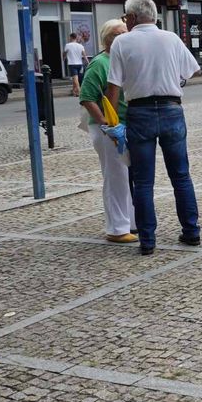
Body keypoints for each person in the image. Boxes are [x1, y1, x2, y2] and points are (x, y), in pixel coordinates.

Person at [106, 0, 202, 256]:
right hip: (172, 109)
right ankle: (191, 231)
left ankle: (147, 240)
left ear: (132, 17)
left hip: (140, 112)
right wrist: (172, 77)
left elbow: (113, 86)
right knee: (181, 175)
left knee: (143, 180)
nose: (125, 21)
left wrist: (112, 122)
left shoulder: (122, 42)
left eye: (125, 17)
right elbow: (194, 70)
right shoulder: (171, 38)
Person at [79, 19, 135, 244]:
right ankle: (117, 228)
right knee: (115, 177)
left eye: (125, 33)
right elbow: (87, 97)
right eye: (117, 34)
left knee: (127, 176)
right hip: (109, 128)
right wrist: (107, 125)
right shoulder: (100, 63)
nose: (123, 37)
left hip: (125, 125)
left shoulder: (123, 58)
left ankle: (130, 221)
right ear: (106, 39)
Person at [64, 33, 88, 97]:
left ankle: (79, 91)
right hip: (80, 64)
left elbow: (64, 53)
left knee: (75, 78)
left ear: (71, 37)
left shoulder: (68, 45)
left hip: (72, 64)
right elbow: (84, 55)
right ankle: (74, 91)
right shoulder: (80, 46)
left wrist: (63, 58)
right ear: (76, 37)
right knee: (76, 78)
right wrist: (88, 62)